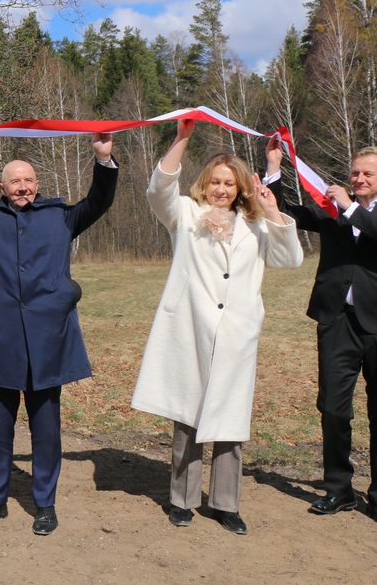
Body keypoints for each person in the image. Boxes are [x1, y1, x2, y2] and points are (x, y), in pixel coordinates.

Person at [131, 120, 302, 535]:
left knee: (230, 419)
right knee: (187, 417)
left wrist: (275, 210)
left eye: (228, 183)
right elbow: (158, 190)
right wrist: (182, 136)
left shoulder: (258, 224)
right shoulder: (186, 215)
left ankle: (226, 504)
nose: (220, 190)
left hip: (236, 336)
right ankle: (182, 499)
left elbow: (289, 260)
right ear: (203, 185)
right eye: (214, 182)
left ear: (240, 187)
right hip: (191, 330)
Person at [0, 133, 117, 536]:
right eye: (14, 181)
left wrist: (103, 159)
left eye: (29, 180)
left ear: (37, 186)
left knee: (46, 429)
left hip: (47, 341)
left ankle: (45, 504)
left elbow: (98, 202)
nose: (22, 186)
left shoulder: (61, 216)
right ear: (1, 188)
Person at [266, 139, 377, 520]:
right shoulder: (331, 210)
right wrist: (275, 169)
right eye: (355, 172)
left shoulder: (349, 209)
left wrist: (349, 207)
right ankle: (339, 489)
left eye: (368, 173)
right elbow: (286, 212)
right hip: (336, 322)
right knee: (332, 407)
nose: (359, 178)